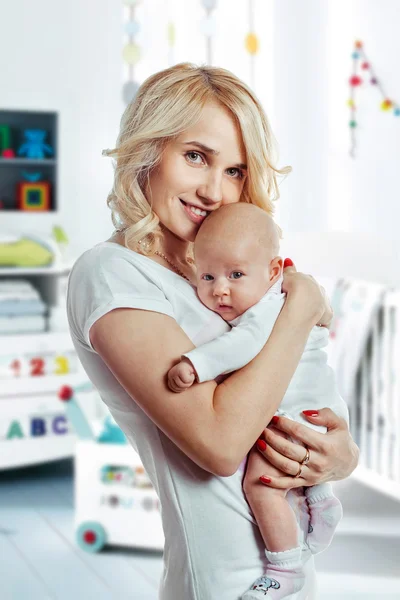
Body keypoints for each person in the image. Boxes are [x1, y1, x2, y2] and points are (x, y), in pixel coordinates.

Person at [66, 63, 359, 600]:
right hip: (223, 584)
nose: (214, 190)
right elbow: (222, 444)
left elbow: (294, 387)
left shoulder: (224, 278)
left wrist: (338, 457)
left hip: (286, 570)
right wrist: (301, 307)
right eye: (196, 156)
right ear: (149, 150)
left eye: (236, 171)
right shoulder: (112, 274)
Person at [167, 203, 349, 599]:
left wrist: (196, 365)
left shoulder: (265, 310)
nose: (220, 289)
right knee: (291, 473)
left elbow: (242, 346)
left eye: (235, 275)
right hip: (316, 405)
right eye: (208, 276)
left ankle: (284, 567)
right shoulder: (282, 296)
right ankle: (321, 500)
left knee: (262, 485)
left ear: (272, 272)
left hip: (295, 411)